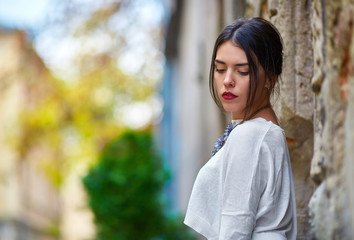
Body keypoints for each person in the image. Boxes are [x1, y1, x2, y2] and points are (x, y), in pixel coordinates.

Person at [184, 17, 297, 240]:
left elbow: (234, 232)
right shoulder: (264, 132)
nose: (227, 80)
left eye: (242, 71)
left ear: (270, 78)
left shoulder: (250, 135)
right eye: (219, 68)